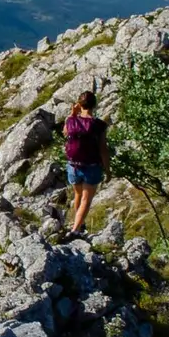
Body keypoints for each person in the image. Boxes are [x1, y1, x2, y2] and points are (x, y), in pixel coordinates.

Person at [64, 90, 110, 240]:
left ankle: (79, 224)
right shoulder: (99, 125)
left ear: (79, 104)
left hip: (73, 165)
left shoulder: (71, 121)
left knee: (78, 194)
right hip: (91, 166)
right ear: (94, 105)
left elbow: (65, 132)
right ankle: (75, 231)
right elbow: (103, 148)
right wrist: (107, 169)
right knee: (86, 199)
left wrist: (72, 113)